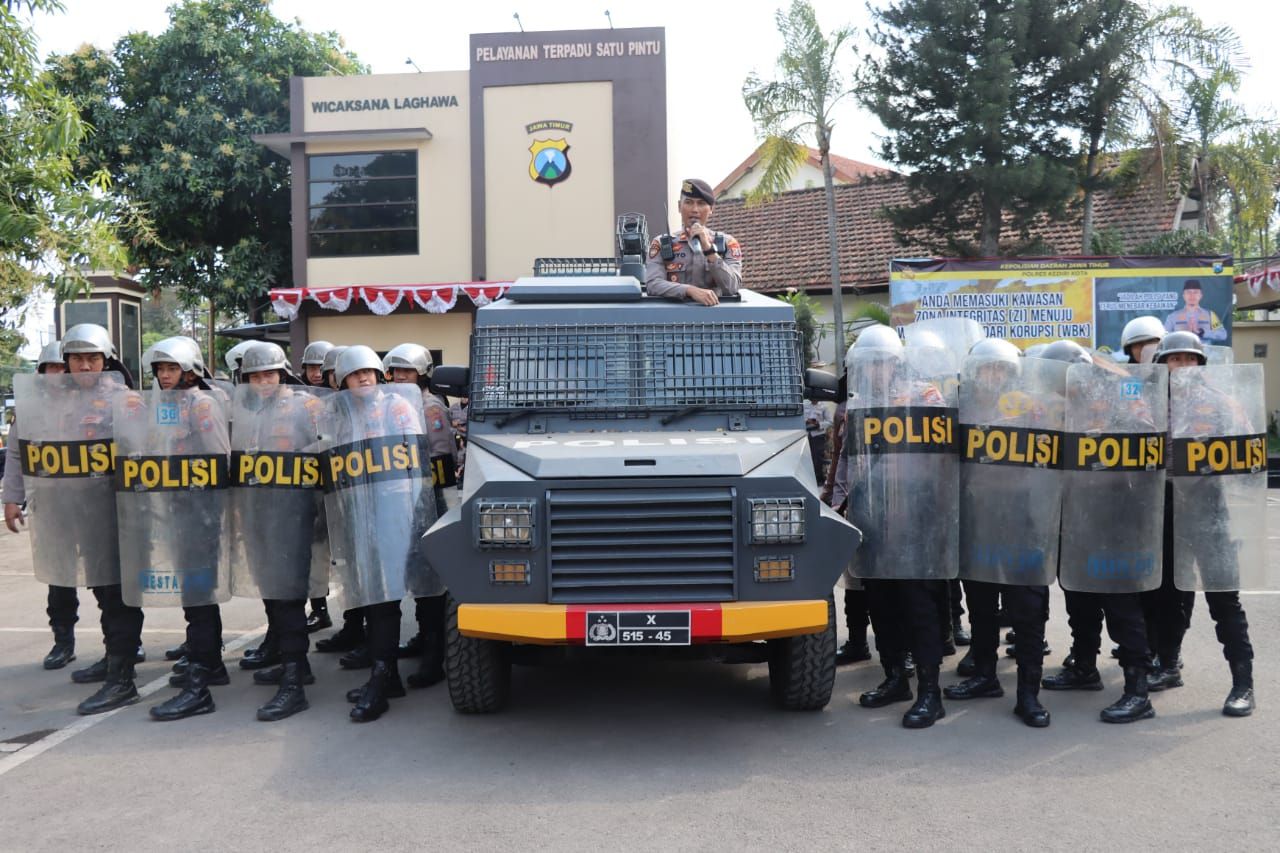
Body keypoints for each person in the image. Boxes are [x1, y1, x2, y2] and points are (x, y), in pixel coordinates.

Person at [8, 324, 143, 714]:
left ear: (107, 360)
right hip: (71, 514)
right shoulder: (46, 400)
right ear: (65, 362)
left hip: (117, 514)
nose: (85, 365)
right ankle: (112, 659)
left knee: (116, 593)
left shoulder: (125, 399)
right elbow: (22, 451)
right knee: (100, 590)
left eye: (93, 358)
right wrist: (13, 497)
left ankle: (123, 678)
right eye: (77, 358)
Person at [1040, 340, 1159, 724]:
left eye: (1064, 383)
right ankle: (1084, 666)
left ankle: (1138, 691)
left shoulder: (1120, 392)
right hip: (1077, 512)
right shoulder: (1061, 401)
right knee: (1079, 594)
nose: (1062, 391)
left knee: (1121, 603)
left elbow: (1145, 434)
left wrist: (1098, 431)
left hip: (1119, 514)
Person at [846, 325, 955, 729]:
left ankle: (931, 691)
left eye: (883, 362)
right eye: (870, 364)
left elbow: (942, 457)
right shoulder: (856, 403)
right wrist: (840, 505)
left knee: (918, 605)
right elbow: (844, 460)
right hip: (873, 516)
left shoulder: (924, 396)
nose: (876, 370)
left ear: (896, 362)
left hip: (918, 518)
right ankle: (895, 678)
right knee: (881, 602)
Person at [945, 337, 1054, 727]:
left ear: (1013, 374)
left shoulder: (1032, 406)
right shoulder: (959, 406)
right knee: (981, 604)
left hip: (1022, 520)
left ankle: (1029, 694)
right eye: (987, 369)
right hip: (977, 517)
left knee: (1027, 610)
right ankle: (985, 675)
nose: (994, 375)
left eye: (1001, 369)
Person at [122, 337, 231, 721]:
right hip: (175, 510)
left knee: (199, 595)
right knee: (193, 594)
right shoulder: (165, 406)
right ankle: (211, 665)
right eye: (160, 370)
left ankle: (200, 685)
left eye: (172, 369)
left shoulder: (202, 404)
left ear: (190, 370)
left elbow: (219, 459)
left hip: (199, 512)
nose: (165, 376)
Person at [1149, 331, 1256, 716]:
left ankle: (1242, 682)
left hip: (1209, 509)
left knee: (1223, 597)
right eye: (1174, 359)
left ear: (1200, 364)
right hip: (1162, 509)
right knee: (1166, 596)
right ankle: (1168, 664)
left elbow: (1247, 452)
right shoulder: (1148, 404)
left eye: (1189, 359)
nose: (1182, 366)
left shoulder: (1221, 403)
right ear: (1162, 365)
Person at [322, 346, 428, 722]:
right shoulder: (343, 412)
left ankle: (383, 677)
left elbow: (414, 458)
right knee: (370, 590)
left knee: (384, 593)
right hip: (358, 508)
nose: (364, 378)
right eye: (355, 374)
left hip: (394, 507)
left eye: (369, 372)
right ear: (344, 381)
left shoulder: (396, 407)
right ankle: (388, 675)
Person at [230, 342, 325, 721]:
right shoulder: (246, 409)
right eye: (255, 376)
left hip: (295, 513)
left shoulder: (306, 405)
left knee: (288, 595)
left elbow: (328, 444)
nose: (262, 381)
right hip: (257, 513)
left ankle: (294, 683)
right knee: (271, 590)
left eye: (269, 374)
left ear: (283, 372)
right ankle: (295, 665)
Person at [3, 341, 81, 670]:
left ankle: (123, 645)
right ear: (42, 372)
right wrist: (11, 499)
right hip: (52, 507)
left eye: (65, 367)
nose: (60, 373)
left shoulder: (101, 403)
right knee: (59, 579)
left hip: (98, 505)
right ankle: (63, 640)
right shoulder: (30, 410)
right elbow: (17, 457)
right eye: (54, 367)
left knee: (110, 579)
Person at [382, 342, 452, 688]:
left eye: (407, 371)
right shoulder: (389, 405)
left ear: (422, 373)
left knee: (430, 582)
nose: (400, 377)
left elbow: (440, 461)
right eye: (395, 371)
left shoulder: (431, 408)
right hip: (399, 502)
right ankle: (424, 638)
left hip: (429, 502)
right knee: (412, 576)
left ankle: (435, 656)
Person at [643, 178, 743, 305]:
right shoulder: (661, 244)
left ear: (711, 208)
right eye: (689, 202)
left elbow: (732, 287)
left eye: (701, 203)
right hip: (674, 321)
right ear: (679, 207)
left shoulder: (728, 244)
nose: (695, 209)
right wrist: (689, 291)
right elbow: (653, 285)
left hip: (717, 321)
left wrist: (708, 249)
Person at [299, 339, 336, 633]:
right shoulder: (299, 398)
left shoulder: (343, 398)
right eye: (312, 366)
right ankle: (319, 607)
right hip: (310, 483)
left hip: (338, 482)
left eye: (322, 367)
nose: (316, 373)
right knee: (315, 549)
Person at [803, 398, 832, 484]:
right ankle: (806, 478)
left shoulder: (824, 406)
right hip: (805, 434)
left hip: (818, 434)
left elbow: (830, 421)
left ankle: (818, 478)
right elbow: (799, 417)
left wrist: (819, 424)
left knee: (818, 457)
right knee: (806, 457)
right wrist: (807, 421)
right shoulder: (804, 404)